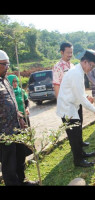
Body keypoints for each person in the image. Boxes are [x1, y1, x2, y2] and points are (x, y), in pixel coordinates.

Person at [56, 50, 95, 167]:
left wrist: (87, 96)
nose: (91, 69)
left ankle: (82, 154)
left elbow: (79, 92)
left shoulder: (79, 71)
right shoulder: (76, 73)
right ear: (85, 62)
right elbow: (80, 97)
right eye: (91, 66)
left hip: (72, 106)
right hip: (67, 109)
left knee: (77, 134)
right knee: (74, 136)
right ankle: (78, 160)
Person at [0, 50, 37, 186]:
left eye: (8, 64)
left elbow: (13, 101)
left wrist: (20, 118)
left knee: (20, 156)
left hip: (16, 127)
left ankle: (22, 180)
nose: (7, 67)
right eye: (4, 64)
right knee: (9, 163)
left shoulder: (6, 80)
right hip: (4, 133)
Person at [53, 42, 91, 147]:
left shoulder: (73, 65)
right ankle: (75, 147)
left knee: (79, 123)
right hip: (67, 103)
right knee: (72, 127)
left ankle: (80, 142)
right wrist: (60, 102)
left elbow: (79, 85)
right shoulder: (58, 67)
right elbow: (56, 85)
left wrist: (85, 96)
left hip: (76, 100)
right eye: (68, 52)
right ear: (62, 52)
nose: (70, 55)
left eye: (71, 52)